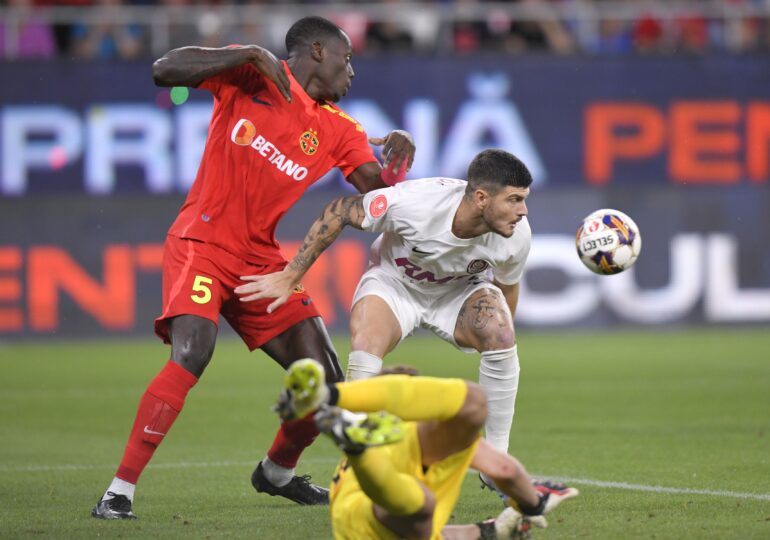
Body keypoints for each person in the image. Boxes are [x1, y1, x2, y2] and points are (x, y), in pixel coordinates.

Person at [91, 16, 416, 519]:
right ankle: (119, 490)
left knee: (325, 381)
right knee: (193, 352)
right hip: (201, 241)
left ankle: (276, 473)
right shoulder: (252, 77)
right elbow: (163, 70)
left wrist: (396, 165)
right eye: (347, 59)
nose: (352, 72)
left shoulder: (340, 128)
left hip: (260, 261)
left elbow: (379, 197)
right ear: (316, 51)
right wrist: (243, 54)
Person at [236, 149, 530, 485]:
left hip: (458, 292)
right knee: (366, 344)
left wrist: (502, 344)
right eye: (514, 200)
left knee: (502, 335)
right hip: (396, 284)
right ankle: (355, 471)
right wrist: (291, 275)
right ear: (481, 198)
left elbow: (507, 286)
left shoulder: (517, 235)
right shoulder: (416, 203)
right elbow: (341, 210)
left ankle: (495, 462)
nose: (523, 211)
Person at [277, 358, 578, 540]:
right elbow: (505, 470)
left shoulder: (385, 430)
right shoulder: (430, 436)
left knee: (421, 514)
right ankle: (356, 444)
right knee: (421, 508)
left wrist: (490, 531)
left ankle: (339, 415)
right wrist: (532, 503)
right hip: (381, 505)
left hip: (351, 513)